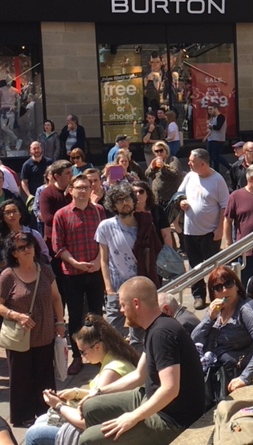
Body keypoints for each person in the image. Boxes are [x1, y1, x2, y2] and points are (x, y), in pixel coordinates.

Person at [77, 276, 206, 445]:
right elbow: (139, 375)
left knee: (88, 439)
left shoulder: (162, 334)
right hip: (149, 397)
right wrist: (99, 391)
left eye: (123, 305)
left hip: (171, 420)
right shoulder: (154, 328)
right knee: (90, 406)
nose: (121, 310)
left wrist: (133, 417)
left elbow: (170, 389)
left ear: (136, 303)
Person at [24, 314, 139, 445]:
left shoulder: (111, 372)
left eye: (83, 352)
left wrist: (58, 405)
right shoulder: (117, 358)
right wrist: (76, 392)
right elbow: (105, 395)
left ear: (97, 347)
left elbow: (87, 422)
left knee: (33, 434)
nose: (83, 357)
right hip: (108, 427)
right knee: (41, 420)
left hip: (105, 435)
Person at [0, 232, 66, 426]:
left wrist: (60, 322)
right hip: (19, 337)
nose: (27, 250)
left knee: (45, 376)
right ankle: (23, 417)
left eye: (29, 245)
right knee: (21, 378)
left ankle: (46, 413)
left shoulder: (45, 270)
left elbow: (56, 298)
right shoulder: (7, 275)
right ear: (14, 253)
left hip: (45, 333)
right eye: (21, 248)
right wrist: (16, 316)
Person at [52, 174, 106, 373]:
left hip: (95, 271)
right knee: (75, 317)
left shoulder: (99, 211)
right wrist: (75, 263)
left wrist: (98, 261)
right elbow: (58, 246)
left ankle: (98, 353)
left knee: (96, 315)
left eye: (86, 187)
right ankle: (77, 356)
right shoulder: (62, 214)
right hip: (72, 273)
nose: (83, 191)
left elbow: (105, 240)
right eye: (79, 187)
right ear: (71, 190)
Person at [96, 183, 162, 339]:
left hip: (140, 289)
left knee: (140, 336)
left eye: (127, 199)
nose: (124, 203)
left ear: (133, 200)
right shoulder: (105, 227)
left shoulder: (145, 225)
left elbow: (155, 254)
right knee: (112, 336)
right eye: (119, 201)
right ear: (113, 205)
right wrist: (109, 289)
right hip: (116, 290)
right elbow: (104, 260)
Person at [191, 266, 253, 393]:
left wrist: (245, 377)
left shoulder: (247, 309)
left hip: (235, 372)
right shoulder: (217, 309)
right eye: (218, 287)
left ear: (237, 286)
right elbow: (194, 339)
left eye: (228, 284)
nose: (224, 290)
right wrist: (209, 318)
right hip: (215, 371)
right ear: (213, 293)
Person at [177, 149, 229, 310]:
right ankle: (198, 296)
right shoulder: (190, 176)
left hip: (210, 233)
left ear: (202, 164)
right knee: (194, 267)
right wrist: (181, 201)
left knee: (214, 267)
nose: (188, 163)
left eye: (192, 161)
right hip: (190, 231)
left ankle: (217, 294)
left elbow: (224, 206)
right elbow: (179, 194)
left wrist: (219, 228)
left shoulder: (217, 180)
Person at [204, 105, 232, 174]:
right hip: (212, 139)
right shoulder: (213, 118)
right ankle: (214, 170)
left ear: (216, 109)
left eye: (211, 109)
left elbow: (218, 127)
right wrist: (206, 136)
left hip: (218, 139)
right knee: (211, 156)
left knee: (216, 156)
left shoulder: (221, 117)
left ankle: (229, 167)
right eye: (208, 109)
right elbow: (212, 129)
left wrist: (210, 126)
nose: (210, 111)